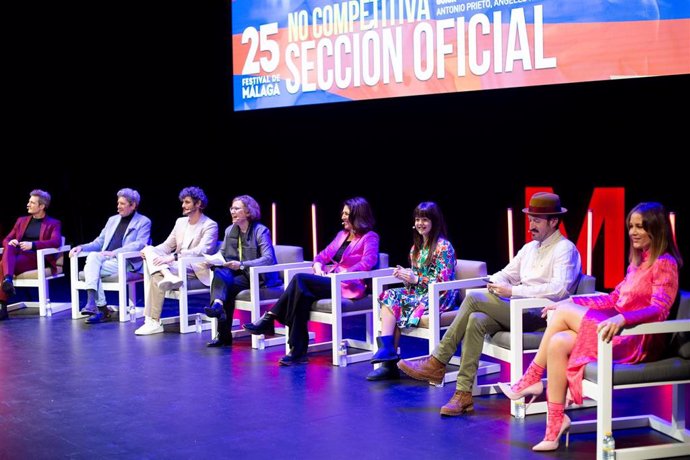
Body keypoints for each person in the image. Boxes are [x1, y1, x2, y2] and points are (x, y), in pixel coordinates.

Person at [498, 201, 682, 452]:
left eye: (641, 226)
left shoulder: (665, 263)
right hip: (615, 332)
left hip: (636, 340)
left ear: (657, 228)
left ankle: (531, 379)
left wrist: (623, 319)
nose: (633, 232)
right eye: (631, 226)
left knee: (561, 314)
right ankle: (555, 424)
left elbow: (659, 309)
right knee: (558, 341)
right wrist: (570, 301)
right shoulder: (637, 264)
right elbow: (612, 299)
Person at [397, 192, 582, 416]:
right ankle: (463, 394)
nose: (530, 225)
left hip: (541, 315)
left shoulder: (565, 249)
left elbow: (558, 290)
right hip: (515, 308)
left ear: (554, 222)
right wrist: (494, 283)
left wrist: (512, 290)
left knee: (474, 298)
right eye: (530, 219)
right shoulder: (529, 248)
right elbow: (506, 274)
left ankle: (437, 361)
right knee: (476, 319)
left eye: (537, 221)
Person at [243, 197, 379, 365]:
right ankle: (297, 352)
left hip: (348, 284)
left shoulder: (370, 237)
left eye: (346, 214)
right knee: (302, 296)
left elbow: (368, 262)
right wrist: (319, 268)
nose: (342, 217)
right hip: (330, 280)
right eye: (343, 213)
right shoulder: (342, 235)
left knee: (299, 279)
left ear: (357, 216)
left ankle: (271, 318)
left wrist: (341, 273)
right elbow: (321, 256)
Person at [367, 202, 458, 381]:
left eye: (424, 219)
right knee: (390, 295)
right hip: (421, 293)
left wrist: (415, 279)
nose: (420, 223)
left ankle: (388, 364)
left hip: (440, 296)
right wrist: (406, 275)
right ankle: (388, 352)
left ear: (434, 221)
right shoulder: (415, 249)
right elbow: (416, 279)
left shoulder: (444, 247)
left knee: (395, 305)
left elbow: (443, 282)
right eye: (417, 219)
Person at [135, 186, 218, 336]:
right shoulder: (180, 222)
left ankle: (153, 321)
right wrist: (151, 251)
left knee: (156, 275)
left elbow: (202, 251)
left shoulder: (209, 225)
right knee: (149, 249)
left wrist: (174, 257)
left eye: (187, 202)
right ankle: (167, 276)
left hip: (195, 268)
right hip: (174, 266)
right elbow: (167, 245)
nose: (183, 206)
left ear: (198, 204)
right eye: (183, 202)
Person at [203, 195, 280, 347]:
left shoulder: (260, 231)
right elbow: (223, 254)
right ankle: (218, 305)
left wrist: (242, 264)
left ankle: (222, 331)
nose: (233, 211)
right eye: (232, 208)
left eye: (237, 208)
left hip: (259, 277)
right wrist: (213, 260)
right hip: (241, 275)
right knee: (220, 273)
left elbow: (268, 258)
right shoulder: (229, 230)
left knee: (226, 286)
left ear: (248, 212)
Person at [69, 188, 152, 323]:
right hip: (106, 259)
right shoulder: (112, 220)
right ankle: (97, 306)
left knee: (92, 269)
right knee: (93, 257)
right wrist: (81, 247)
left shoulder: (144, 222)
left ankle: (98, 306)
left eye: (122, 204)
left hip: (126, 261)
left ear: (133, 205)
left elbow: (139, 244)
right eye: (118, 203)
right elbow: (99, 242)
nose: (118, 206)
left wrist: (115, 253)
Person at [1, 190, 62, 321]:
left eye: (32, 202)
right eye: (29, 201)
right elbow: (6, 239)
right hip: (19, 257)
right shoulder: (21, 221)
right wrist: (11, 241)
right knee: (10, 246)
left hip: (38, 257)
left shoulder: (53, 223)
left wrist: (33, 245)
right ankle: (8, 280)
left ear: (41, 206)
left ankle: (3, 306)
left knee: (1, 265)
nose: (28, 204)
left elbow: (56, 241)